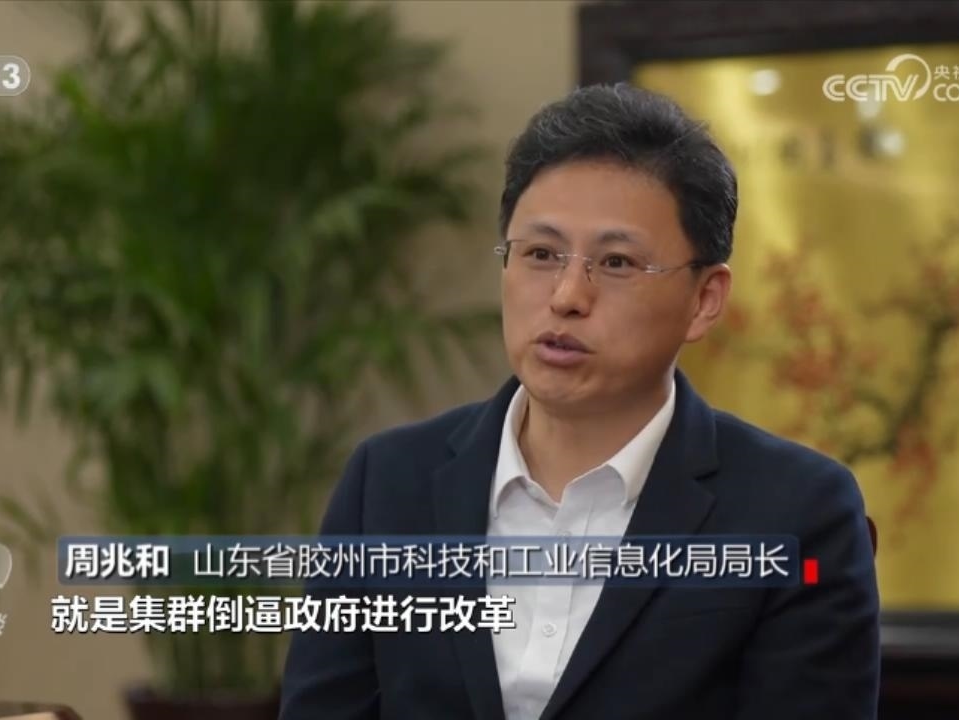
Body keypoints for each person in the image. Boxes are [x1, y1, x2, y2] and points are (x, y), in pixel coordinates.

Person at [279, 82, 880, 720]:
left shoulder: (797, 511)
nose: (567, 295)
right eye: (540, 254)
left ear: (704, 300)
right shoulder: (386, 481)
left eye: (616, 263)